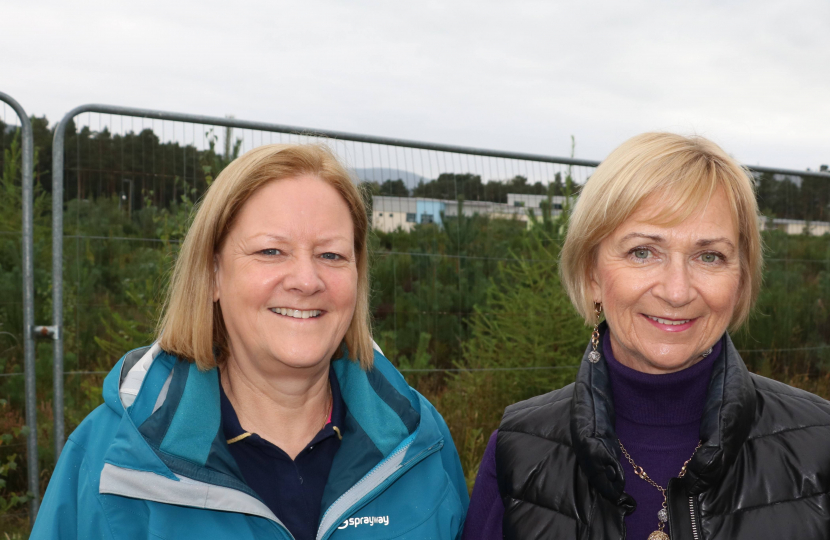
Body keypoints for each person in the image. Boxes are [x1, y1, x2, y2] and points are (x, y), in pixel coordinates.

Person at [32, 144, 469, 540]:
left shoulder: (419, 442)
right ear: (213, 275)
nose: (306, 280)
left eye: (331, 255)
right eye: (270, 252)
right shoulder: (113, 460)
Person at [464, 133, 830, 540]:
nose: (676, 291)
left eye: (709, 256)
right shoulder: (518, 452)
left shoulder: (820, 446)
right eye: (643, 252)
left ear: (741, 281)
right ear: (591, 276)